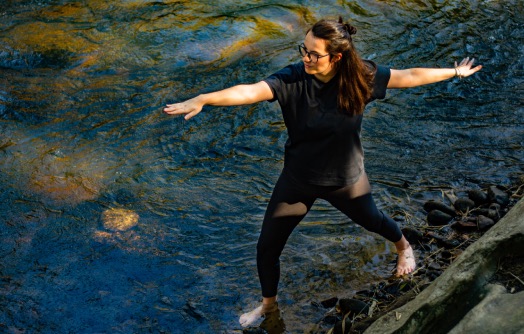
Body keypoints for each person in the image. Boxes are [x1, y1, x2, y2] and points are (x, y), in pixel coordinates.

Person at [164, 17, 482, 327]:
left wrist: (454, 71)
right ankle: (268, 307)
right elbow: (249, 91)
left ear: (337, 57)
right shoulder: (293, 78)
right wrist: (206, 98)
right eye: (303, 49)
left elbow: (409, 75)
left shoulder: (361, 75)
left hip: (346, 180)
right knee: (266, 248)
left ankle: (404, 247)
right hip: (298, 181)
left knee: (373, 220)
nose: (305, 57)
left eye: (313, 54)